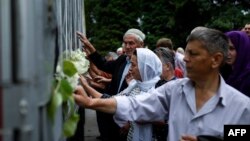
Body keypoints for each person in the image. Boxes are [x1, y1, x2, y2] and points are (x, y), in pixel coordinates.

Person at [74, 28, 250, 141]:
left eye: (193, 54)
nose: (185, 59)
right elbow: (135, 104)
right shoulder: (174, 91)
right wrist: (91, 103)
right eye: (186, 52)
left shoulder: (241, 106)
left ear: (216, 59)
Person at [76, 28, 146, 141]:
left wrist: (130, 122)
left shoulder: (146, 65)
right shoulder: (123, 59)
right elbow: (103, 64)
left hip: (127, 117)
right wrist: (89, 46)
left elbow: (144, 96)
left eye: (131, 43)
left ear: (141, 44)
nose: (127, 46)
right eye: (125, 43)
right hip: (112, 111)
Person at [79, 48, 162, 141]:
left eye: (133, 65)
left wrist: (137, 115)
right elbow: (113, 100)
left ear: (145, 67)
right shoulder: (135, 85)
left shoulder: (158, 90)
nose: (130, 68)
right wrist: (86, 87)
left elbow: (162, 121)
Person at [224, 30, 250, 97]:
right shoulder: (226, 71)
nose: (227, 53)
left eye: (231, 48)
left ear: (242, 49)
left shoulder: (247, 77)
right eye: (224, 48)